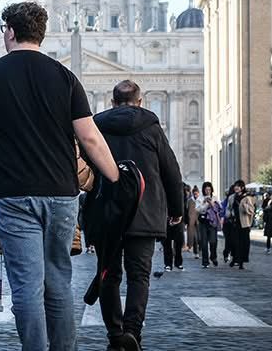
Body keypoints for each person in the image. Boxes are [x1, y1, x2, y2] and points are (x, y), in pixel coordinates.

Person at [0, 1, 119, 351]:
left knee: (27, 286)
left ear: (11, 32)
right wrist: (115, 177)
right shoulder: (65, 77)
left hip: (12, 195)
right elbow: (90, 137)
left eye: (4, 30)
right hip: (61, 193)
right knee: (58, 281)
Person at [93, 80, 183, 351]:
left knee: (108, 274)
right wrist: (176, 210)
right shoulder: (152, 128)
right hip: (144, 212)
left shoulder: (96, 126)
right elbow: (171, 171)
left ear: (112, 102)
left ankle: (114, 335)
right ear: (140, 101)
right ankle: (133, 332)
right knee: (139, 276)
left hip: (107, 212)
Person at [227, 181, 254, 269]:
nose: (236, 188)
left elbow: (251, 210)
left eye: (238, 186)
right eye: (235, 186)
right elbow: (228, 208)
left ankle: (241, 262)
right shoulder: (231, 197)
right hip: (234, 223)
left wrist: (246, 207)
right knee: (234, 243)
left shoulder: (247, 198)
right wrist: (228, 215)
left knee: (243, 243)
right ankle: (234, 259)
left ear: (242, 188)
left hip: (244, 224)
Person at [196, 182, 221, 268]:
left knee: (213, 241)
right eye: (206, 189)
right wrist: (206, 203)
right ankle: (205, 262)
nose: (208, 191)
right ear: (203, 190)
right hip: (203, 222)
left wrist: (212, 203)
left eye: (209, 189)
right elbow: (199, 210)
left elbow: (218, 208)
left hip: (212, 222)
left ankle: (213, 257)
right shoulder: (200, 198)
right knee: (204, 243)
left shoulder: (215, 198)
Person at [185, 186, 199, 259]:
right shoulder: (190, 201)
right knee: (194, 237)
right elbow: (187, 210)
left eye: (197, 194)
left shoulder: (201, 200)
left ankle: (199, 251)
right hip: (191, 222)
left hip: (200, 221)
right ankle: (196, 252)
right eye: (195, 194)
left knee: (200, 237)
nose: (196, 195)